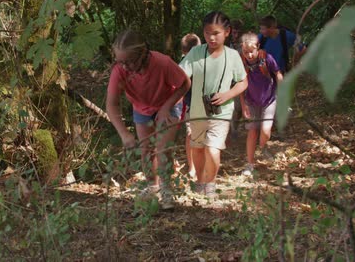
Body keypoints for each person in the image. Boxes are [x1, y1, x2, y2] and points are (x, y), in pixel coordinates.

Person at [106, 29, 191, 210]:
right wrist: (124, 133)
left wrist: (167, 106)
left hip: (169, 103)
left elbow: (185, 83)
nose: (125, 66)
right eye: (120, 61)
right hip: (142, 108)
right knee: (147, 150)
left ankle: (166, 188)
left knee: (162, 149)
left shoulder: (162, 62)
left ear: (142, 53)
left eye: (129, 61)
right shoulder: (119, 71)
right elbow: (112, 104)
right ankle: (152, 186)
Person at [179, 11, 248, 197]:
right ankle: (200, 181)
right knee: (198, 147)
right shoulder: (195, 53)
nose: (211, 37)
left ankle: (210, 183)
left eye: (216, 33)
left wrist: (228, 94)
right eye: (208, 33)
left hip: (221, 112)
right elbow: (181, 75)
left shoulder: (233, 56)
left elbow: (243, 81)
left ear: (227, 32)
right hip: (197, 111)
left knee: (213, 148)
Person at [239, 33, 283, 176]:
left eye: (251, 51)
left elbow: (277, 73)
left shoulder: (267, 59)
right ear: (242, 50)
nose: (249, 55)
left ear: (258, 47)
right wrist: (243, 105)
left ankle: (263, 147)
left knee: (265, 131)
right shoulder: (242, 63)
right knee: (252, 131)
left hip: (269, 100)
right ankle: (250, 164)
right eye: (246, 52)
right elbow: (240, 84)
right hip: (251, 101)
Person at [179, 33, 201, 180]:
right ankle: (192, 166)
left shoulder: (207, 61)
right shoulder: (182, 65)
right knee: (191, 135)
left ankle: (203, 165)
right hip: (190, 105)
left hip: (205, 104)